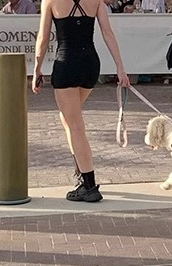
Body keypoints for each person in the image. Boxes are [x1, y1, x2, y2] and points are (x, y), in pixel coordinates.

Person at [32, 0, 130, 201]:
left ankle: (89, 185)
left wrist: (37, 69)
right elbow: (108, 33)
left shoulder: (50, 1)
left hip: (66, 63)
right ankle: (81, 171)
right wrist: (120, 68)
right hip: (90, 65)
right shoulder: (96, 1)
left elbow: (43, 37)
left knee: (75, 126)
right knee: (68, 119)